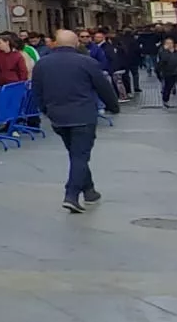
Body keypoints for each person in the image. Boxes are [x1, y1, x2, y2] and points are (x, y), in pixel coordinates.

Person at [32, 30, 121, 213]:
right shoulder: (87, 62)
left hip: (57, 116)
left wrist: (45, 110)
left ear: (55, 43)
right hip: (83, 115)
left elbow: (36, 90)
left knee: (75, 153)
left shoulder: (42, 64)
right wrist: (114, 106)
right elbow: (103, 86)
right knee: (80, 156)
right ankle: (71, 195)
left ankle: (89, 191)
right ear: (76, 43)